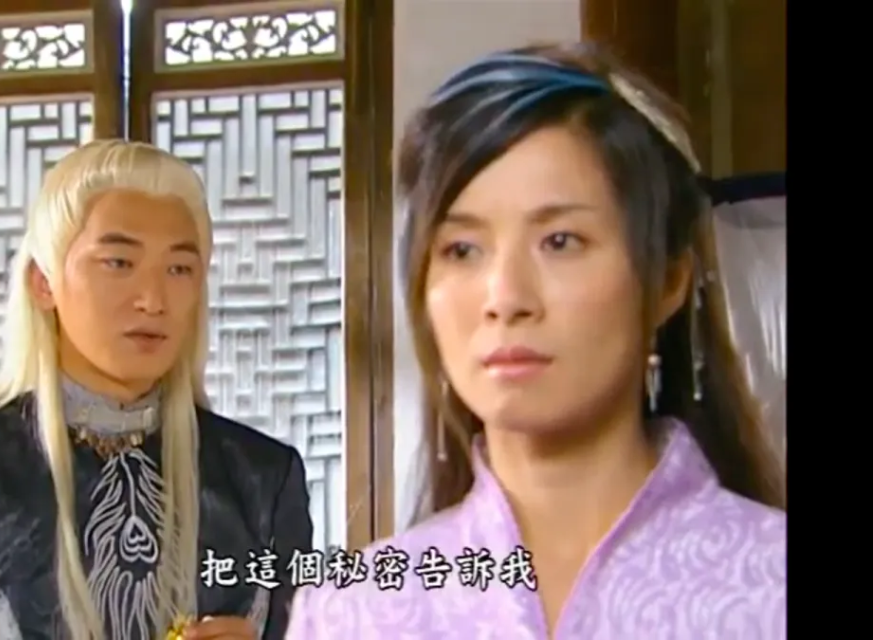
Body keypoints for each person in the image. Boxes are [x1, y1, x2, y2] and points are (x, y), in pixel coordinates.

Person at [286, 44, 786, 638]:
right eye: (462, 250)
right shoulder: (352, 610)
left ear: (667, 281)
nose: (505, 297)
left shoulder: (770, 584)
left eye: (560, 241)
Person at [0, 140, 313, 640]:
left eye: (179, 268)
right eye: (118, 262)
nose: (153, 299)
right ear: (43, 282)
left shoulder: (263, 479)